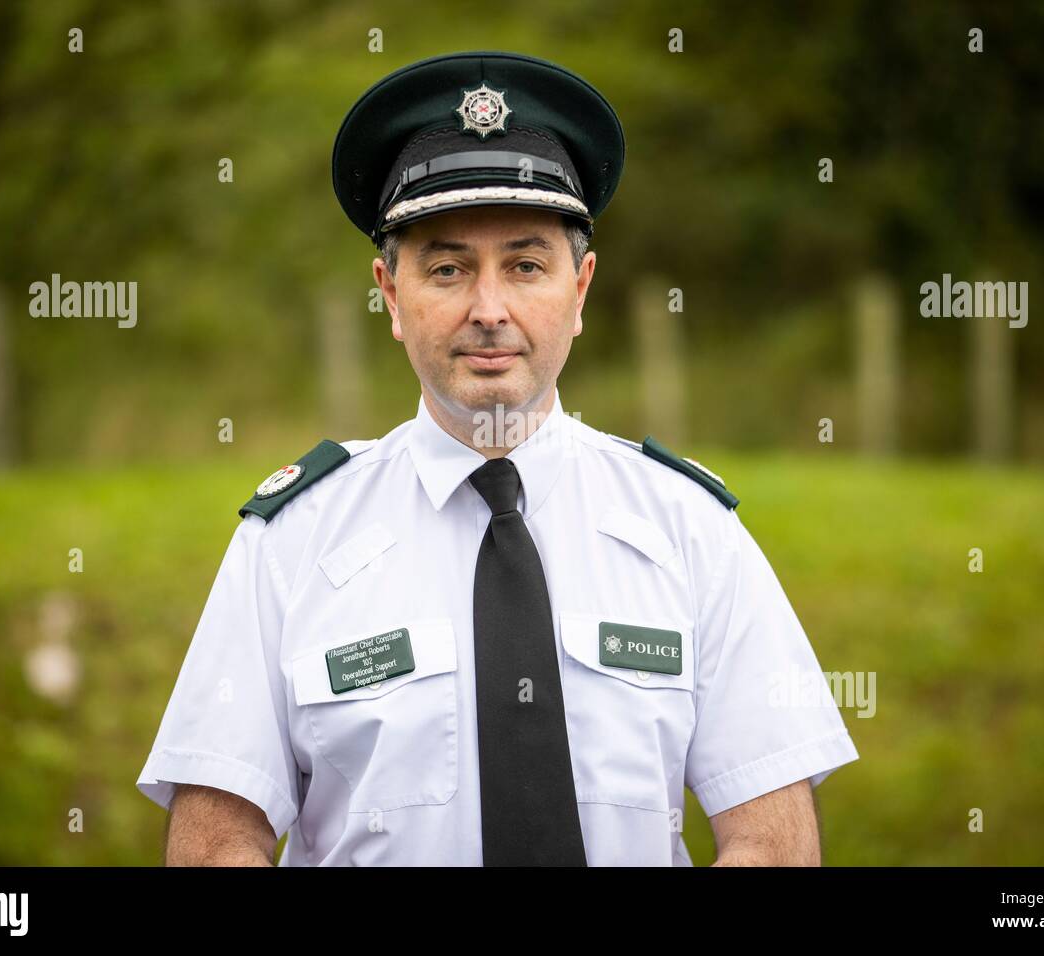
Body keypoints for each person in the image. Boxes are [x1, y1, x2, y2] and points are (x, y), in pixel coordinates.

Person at [137, 50, 859, 866]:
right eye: (447, 269)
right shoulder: (289, 544)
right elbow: (215, 840)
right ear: (390, 295)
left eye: (525, 266)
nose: (489, 310)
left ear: (580, 290)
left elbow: (771, 839)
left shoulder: (692, 531)